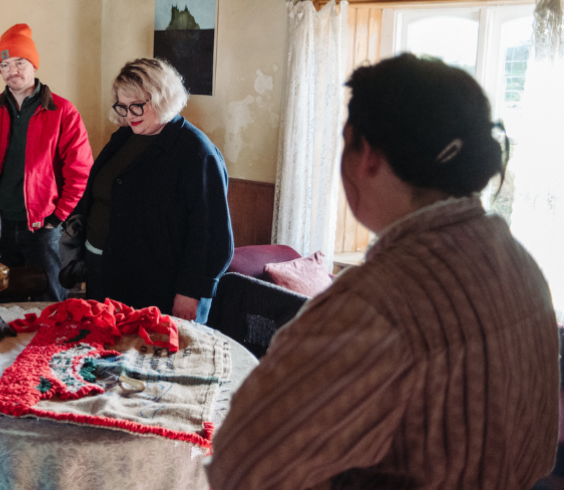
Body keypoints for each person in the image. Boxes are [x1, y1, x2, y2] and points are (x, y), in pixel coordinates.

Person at [209, 54, 559, 489]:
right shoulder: (523, 269)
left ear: (367, 154)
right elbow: (541, 444)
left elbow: (242, 467)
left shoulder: (374, 305)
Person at [68, 58, 232, 321]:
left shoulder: (195, 152)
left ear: (162, 99)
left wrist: (190, 292)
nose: (129, 115)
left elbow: (211, 234)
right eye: (122, 106)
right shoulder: (124, 137)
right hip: (106, 272)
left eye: (137, 106)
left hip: (156, 285)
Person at [0, 23, 93, 302]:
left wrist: (57, 218)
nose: (12, 71)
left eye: (20, 62)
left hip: (44, 229)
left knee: (51, 305)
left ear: (33, 64)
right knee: (0, 305)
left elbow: (80, 172)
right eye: (4, 65)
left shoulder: (63, 111)